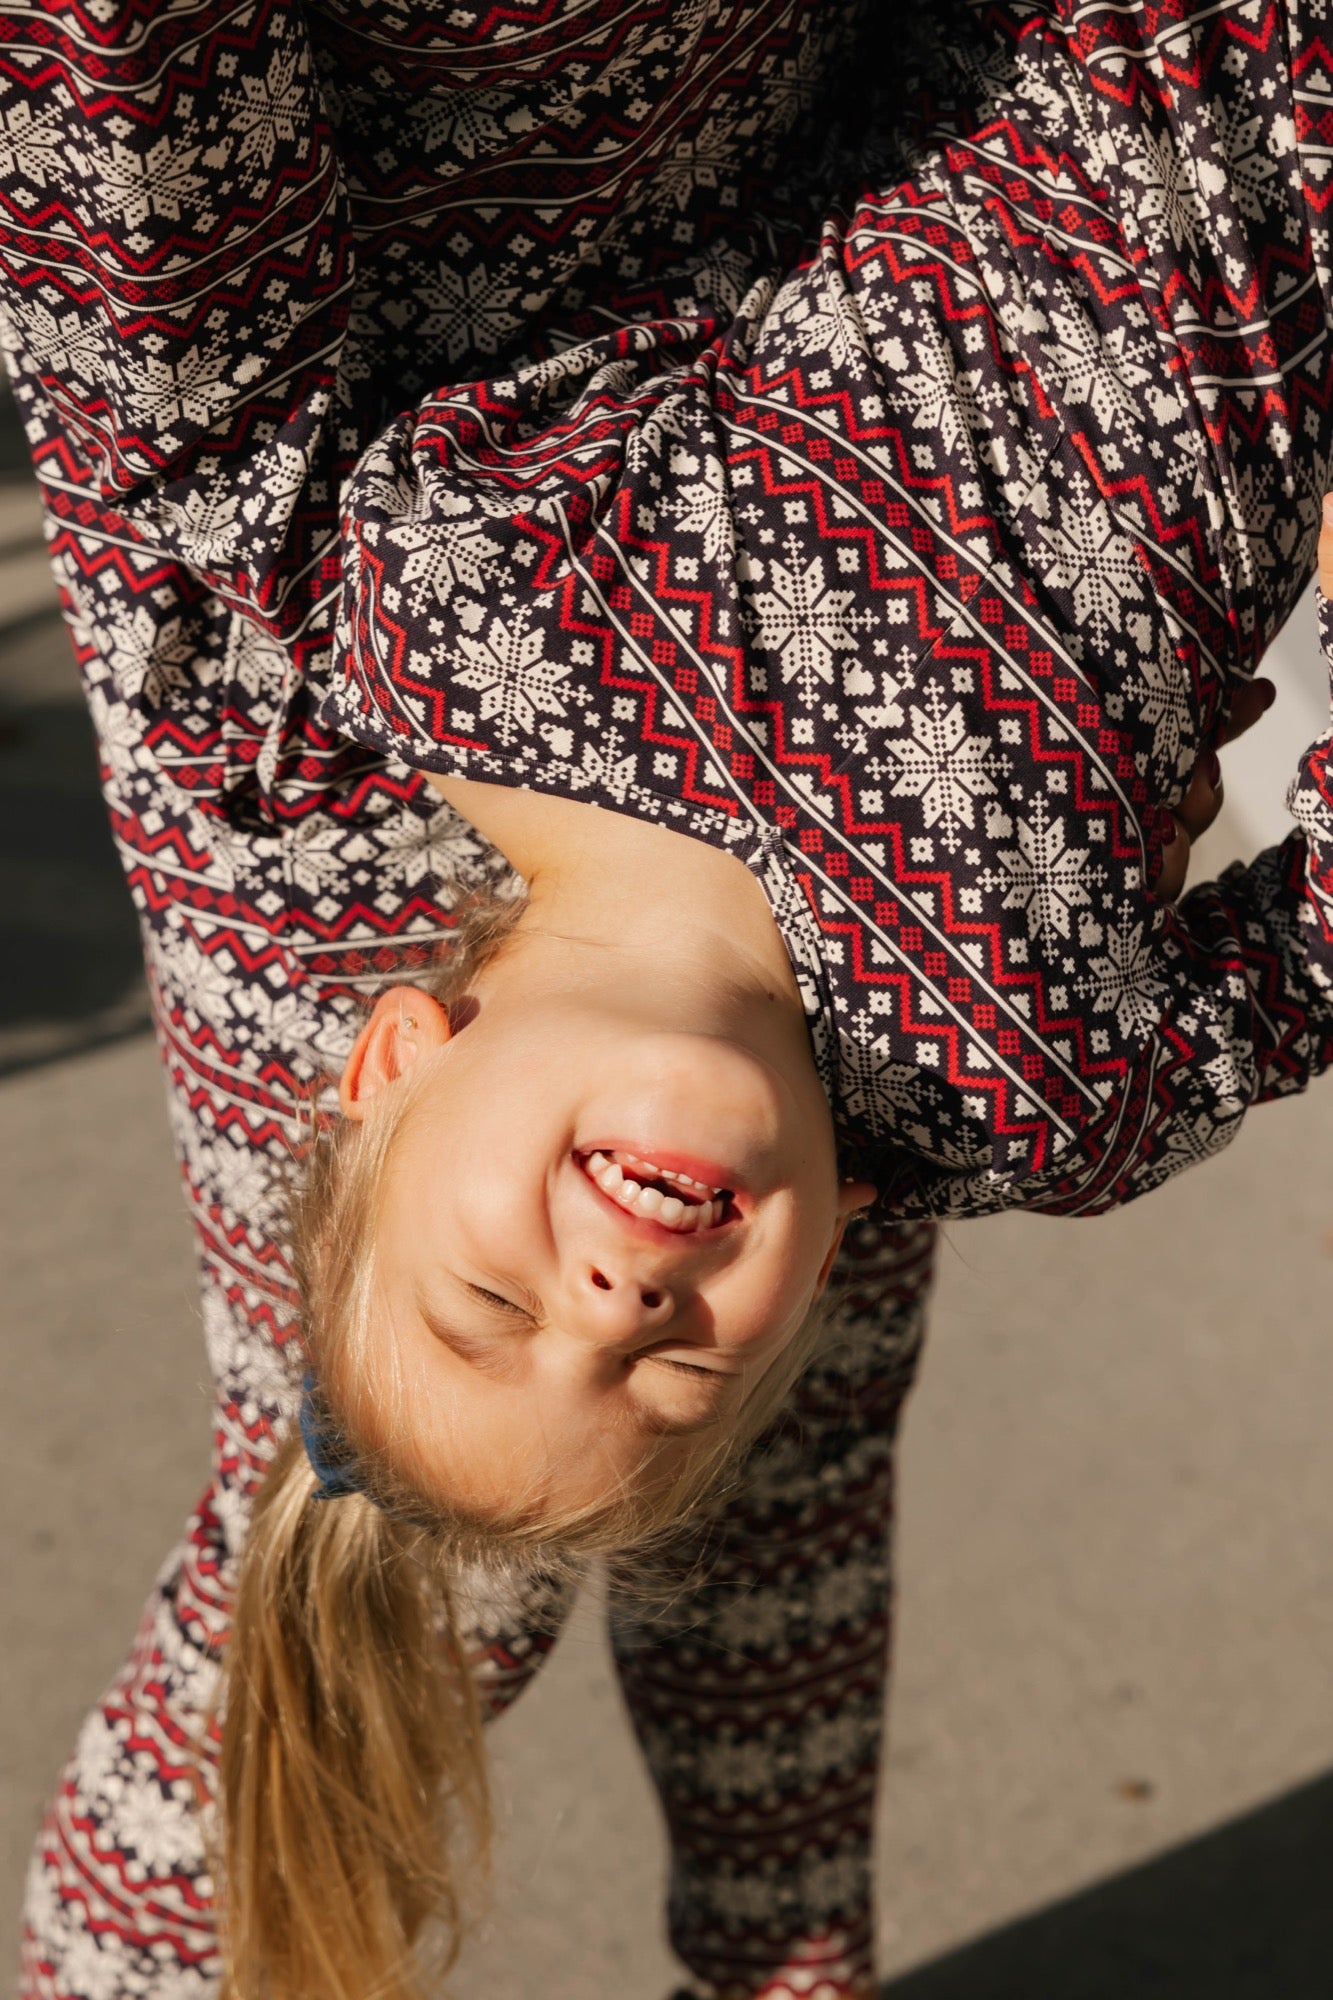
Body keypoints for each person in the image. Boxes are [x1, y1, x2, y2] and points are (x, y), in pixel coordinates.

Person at [4, 0, 1333, 1995]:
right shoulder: (1017, 1090)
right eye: (669, 1351)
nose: (611, 1310)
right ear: (849, 1224)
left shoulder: (437, 615)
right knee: (509, 1542)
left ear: (386, 1064)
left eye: (504, 1304)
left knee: (506, 1533)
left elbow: (742, 281)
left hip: (966, 96)